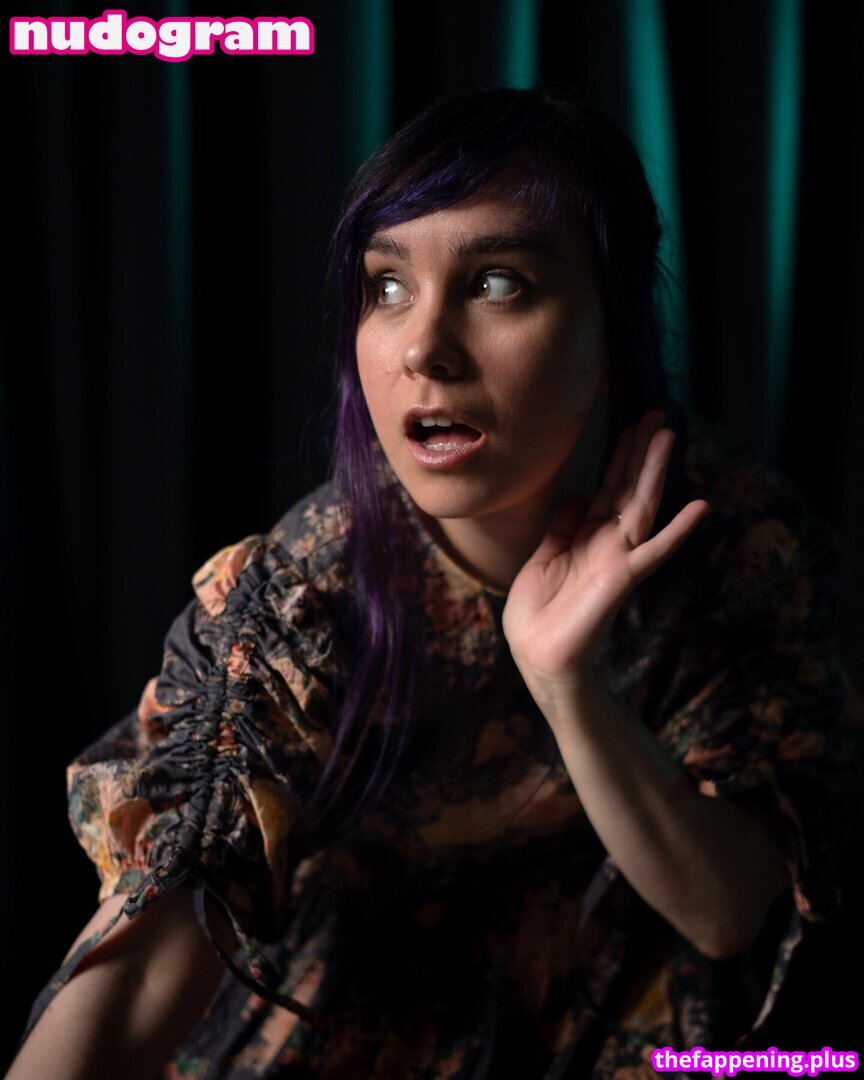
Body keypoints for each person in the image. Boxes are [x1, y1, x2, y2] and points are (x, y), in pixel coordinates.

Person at [8, 83, 863, 1079]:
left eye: (497, 283)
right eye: (386, 287)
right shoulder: (300, 595)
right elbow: (152, 947)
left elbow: (725, 911)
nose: (423, 348)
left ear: (611, 322)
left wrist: (566, 686)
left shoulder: (727, 536)